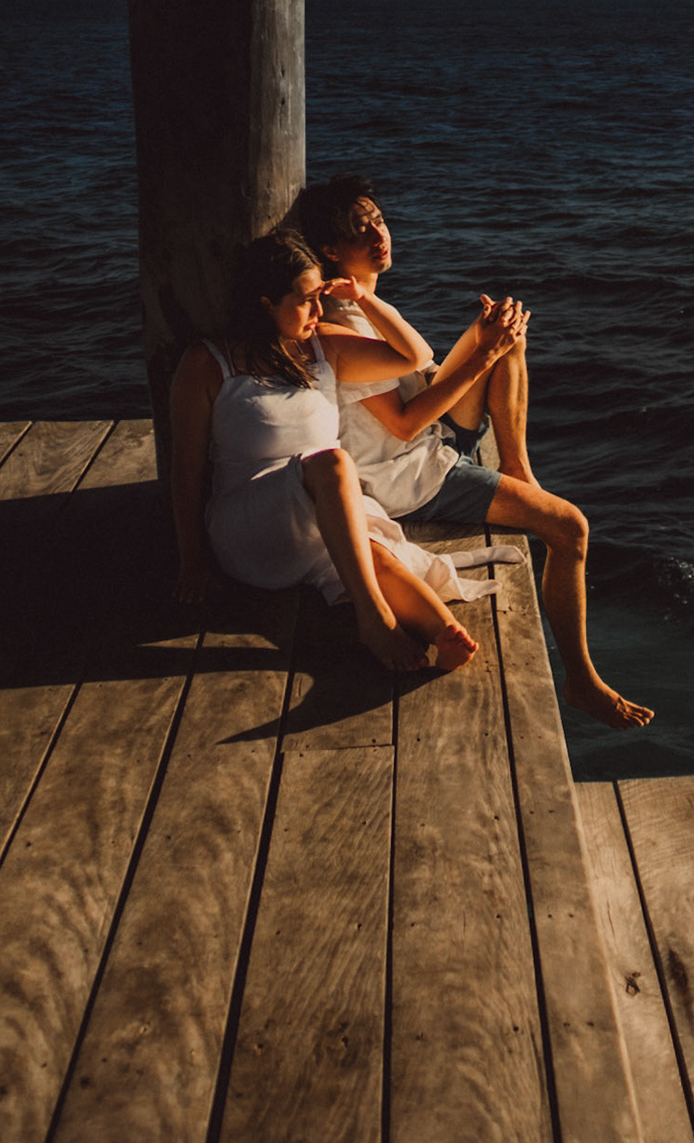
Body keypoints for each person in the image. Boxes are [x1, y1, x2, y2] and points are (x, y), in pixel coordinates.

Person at [289, 175, 653, 729]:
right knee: (570, 528)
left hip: (430, 442)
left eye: (379, 221)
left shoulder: (362, 303)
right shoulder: (343, 326)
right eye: (360, 231)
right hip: (408, 478)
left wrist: (489, 344)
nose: (379, 236)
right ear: (331, 250)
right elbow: (404, 427)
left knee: (506, 329)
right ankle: (581, 679)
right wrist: (481, 357)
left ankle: (517, 467)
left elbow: (419, 376)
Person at [169, 229, 528, 672]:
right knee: (335, 464)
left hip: (324, 511)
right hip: (250, 526)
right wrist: (192, 561)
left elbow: (414, 356)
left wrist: (363, 298)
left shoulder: (323, 346)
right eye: (306, 301)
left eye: (320, 297)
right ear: (266, 304)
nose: (319, 311)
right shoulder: (207, 362)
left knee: (377, 555)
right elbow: (185, 468)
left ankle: (443, 631)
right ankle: (373, 621)